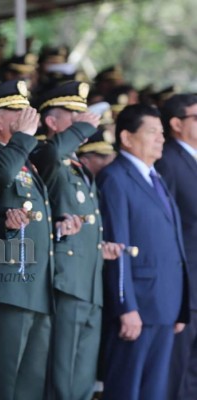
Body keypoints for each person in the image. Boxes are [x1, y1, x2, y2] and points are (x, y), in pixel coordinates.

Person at [0, 79, 82, 400]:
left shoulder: (25, 157)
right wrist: (21, 138)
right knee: (2, 383)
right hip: (9, 286)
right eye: (19, 112)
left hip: (36, 285)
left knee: (30, 385)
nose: (29, 118)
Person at [30, 81, 121, 400]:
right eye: (73, 115)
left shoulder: (78, 166)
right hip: (66, 282)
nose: (84, 121)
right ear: (52, 123)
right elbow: (53, 152)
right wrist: (82, 130)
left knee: (81, 376)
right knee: (63, 377)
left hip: (88, 281)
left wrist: (101, 247)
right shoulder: (46, 154)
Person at [97, 104, 189, 400]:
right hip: (137, 308)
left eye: (162, 133)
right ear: (126, 137)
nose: (160, 139)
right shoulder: (116, 178)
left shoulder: (155, 177)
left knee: (154, 392)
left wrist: (181, 304)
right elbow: (117, 245)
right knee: (126, 390)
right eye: (152, 132)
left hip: (164, 304)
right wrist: (126, 307)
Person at [156, 94, 197, 400]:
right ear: (176, 123)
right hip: (184, 286)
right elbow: (163, 226)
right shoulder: (168, 160)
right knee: (178, 371)